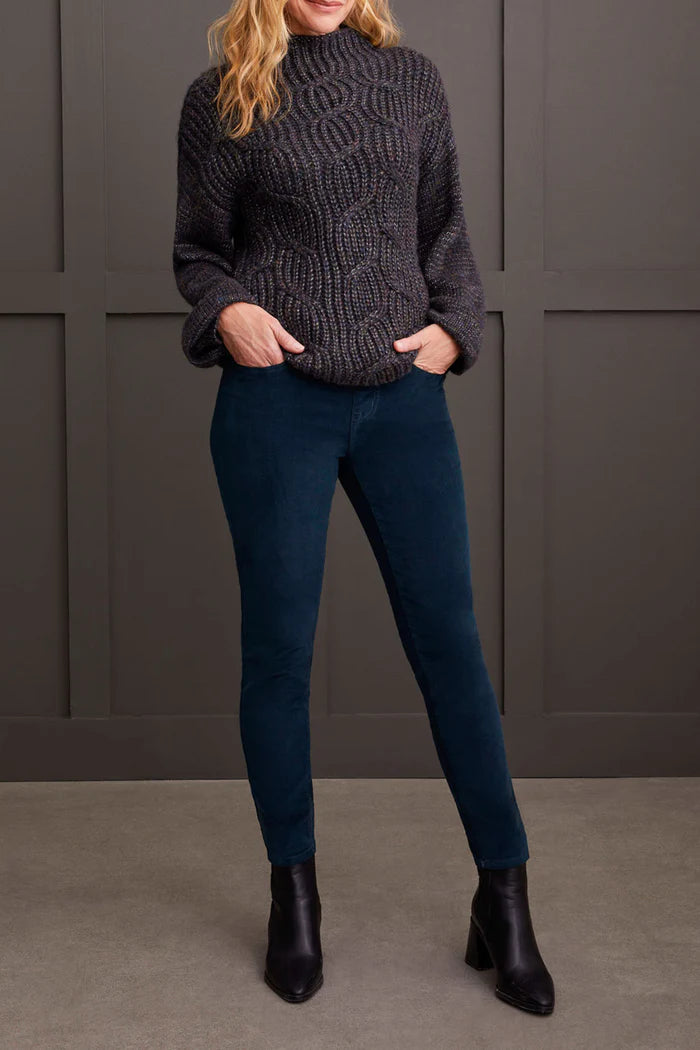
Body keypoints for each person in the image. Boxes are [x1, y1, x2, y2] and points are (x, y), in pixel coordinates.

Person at [172, 0, 555, 1015]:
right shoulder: (223, 97)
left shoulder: (410, 80)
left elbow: (445, 230)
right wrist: (229, 310)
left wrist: (455, 328)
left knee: (451, 647)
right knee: (278, 655)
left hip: (401, 401)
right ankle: (293, 902)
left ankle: (505, 900)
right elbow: (199, 252)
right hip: (275, 403)